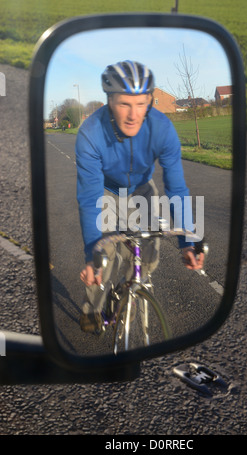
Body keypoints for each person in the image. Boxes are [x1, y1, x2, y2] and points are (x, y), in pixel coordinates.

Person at [75, 60, 204, 333]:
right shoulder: (91, 133)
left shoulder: (162, 128)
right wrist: (92, 256)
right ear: (109, 100)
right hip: (106, 192)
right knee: (105, 259)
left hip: (142, 191)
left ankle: (128, 296)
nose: (134, 114)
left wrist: (188, 241)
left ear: (150, 100)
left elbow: (177, 187)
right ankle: (94, 308)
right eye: (124, 104)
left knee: (148, 259)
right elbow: (89, 199)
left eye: (141, 103)